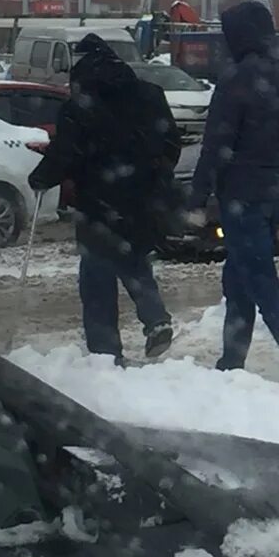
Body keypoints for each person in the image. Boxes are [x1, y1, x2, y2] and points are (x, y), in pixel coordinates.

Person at [187, 1, 279, 378]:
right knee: (238, 279)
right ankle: (231, 364)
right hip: (276, 193)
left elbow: (217, 144)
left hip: (242, 194)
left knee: (262, 284)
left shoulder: (235, 80)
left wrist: (198, 198)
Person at [29, 34, 180, 364]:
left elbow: (68, 153)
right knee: (134, 259)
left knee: (97, 276)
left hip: (97, 201)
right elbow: (172, 142)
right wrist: (157, 176)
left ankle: (106, 353)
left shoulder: (79, 105)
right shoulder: (150, 94)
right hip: (141, 198)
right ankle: (155, 319)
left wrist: (41, 177)